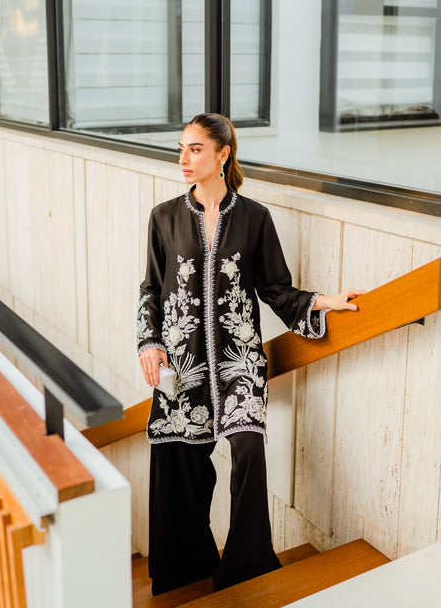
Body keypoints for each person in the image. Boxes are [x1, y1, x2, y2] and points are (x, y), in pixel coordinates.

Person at [137, 113, 363, 596]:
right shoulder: (164, 217)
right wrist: (150, 342)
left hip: (240, 362)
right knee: (182, 462)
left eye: (195, 149)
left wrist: (323, 301)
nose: (183, 158)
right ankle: (186, 569)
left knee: (247, 454)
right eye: (181, 148)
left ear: (223, 155)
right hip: (183, 363)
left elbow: (276, 289)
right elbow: (152, 289)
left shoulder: (255, 217)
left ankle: (245, 570)